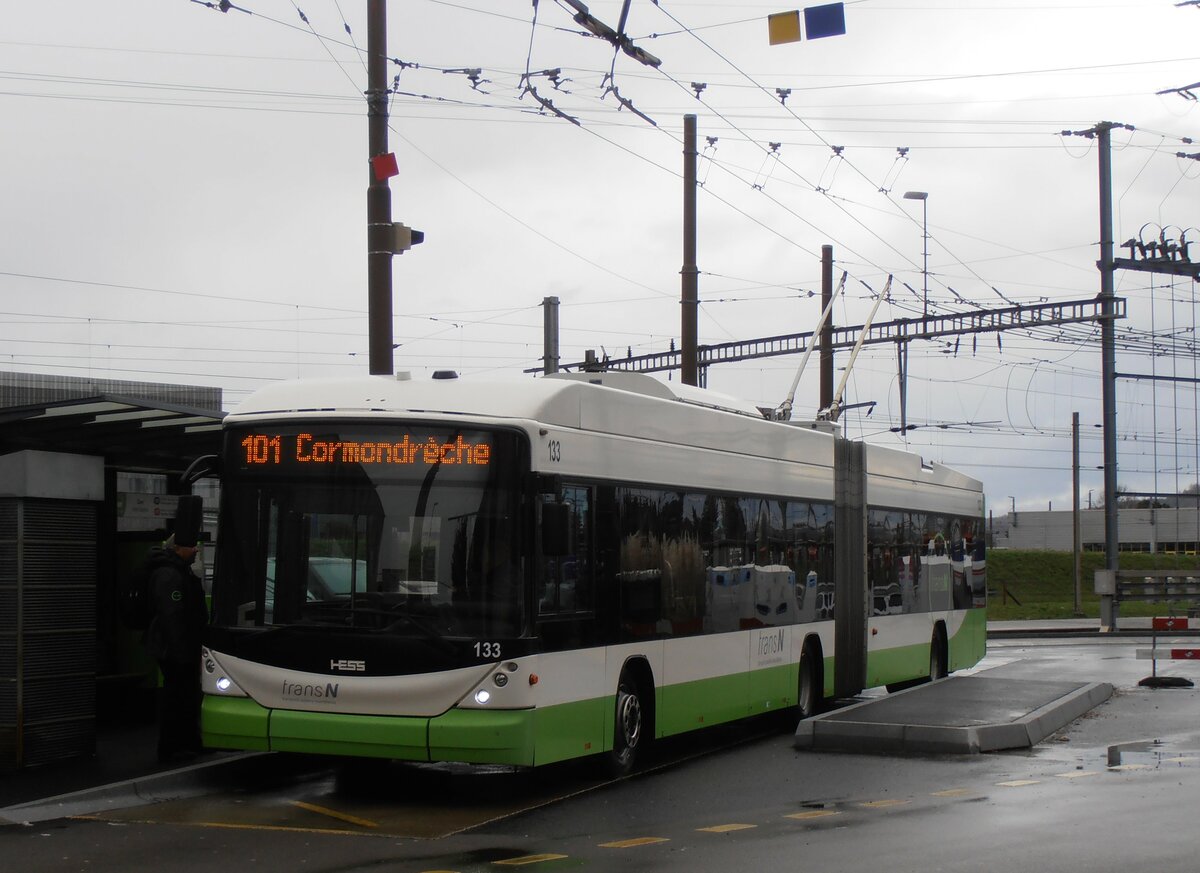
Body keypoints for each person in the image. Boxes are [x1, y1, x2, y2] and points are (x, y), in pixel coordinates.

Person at [143, 495, 208, 764]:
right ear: (180, 548)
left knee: (185, 695)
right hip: (174, 649)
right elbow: (173, 615)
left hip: (179, 647)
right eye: (192, 547)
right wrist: (182, 651)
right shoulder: (170, 575)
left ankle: (187, 742)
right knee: (176, 697)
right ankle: (172, 747)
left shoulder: (177, 570)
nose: (195, 550)